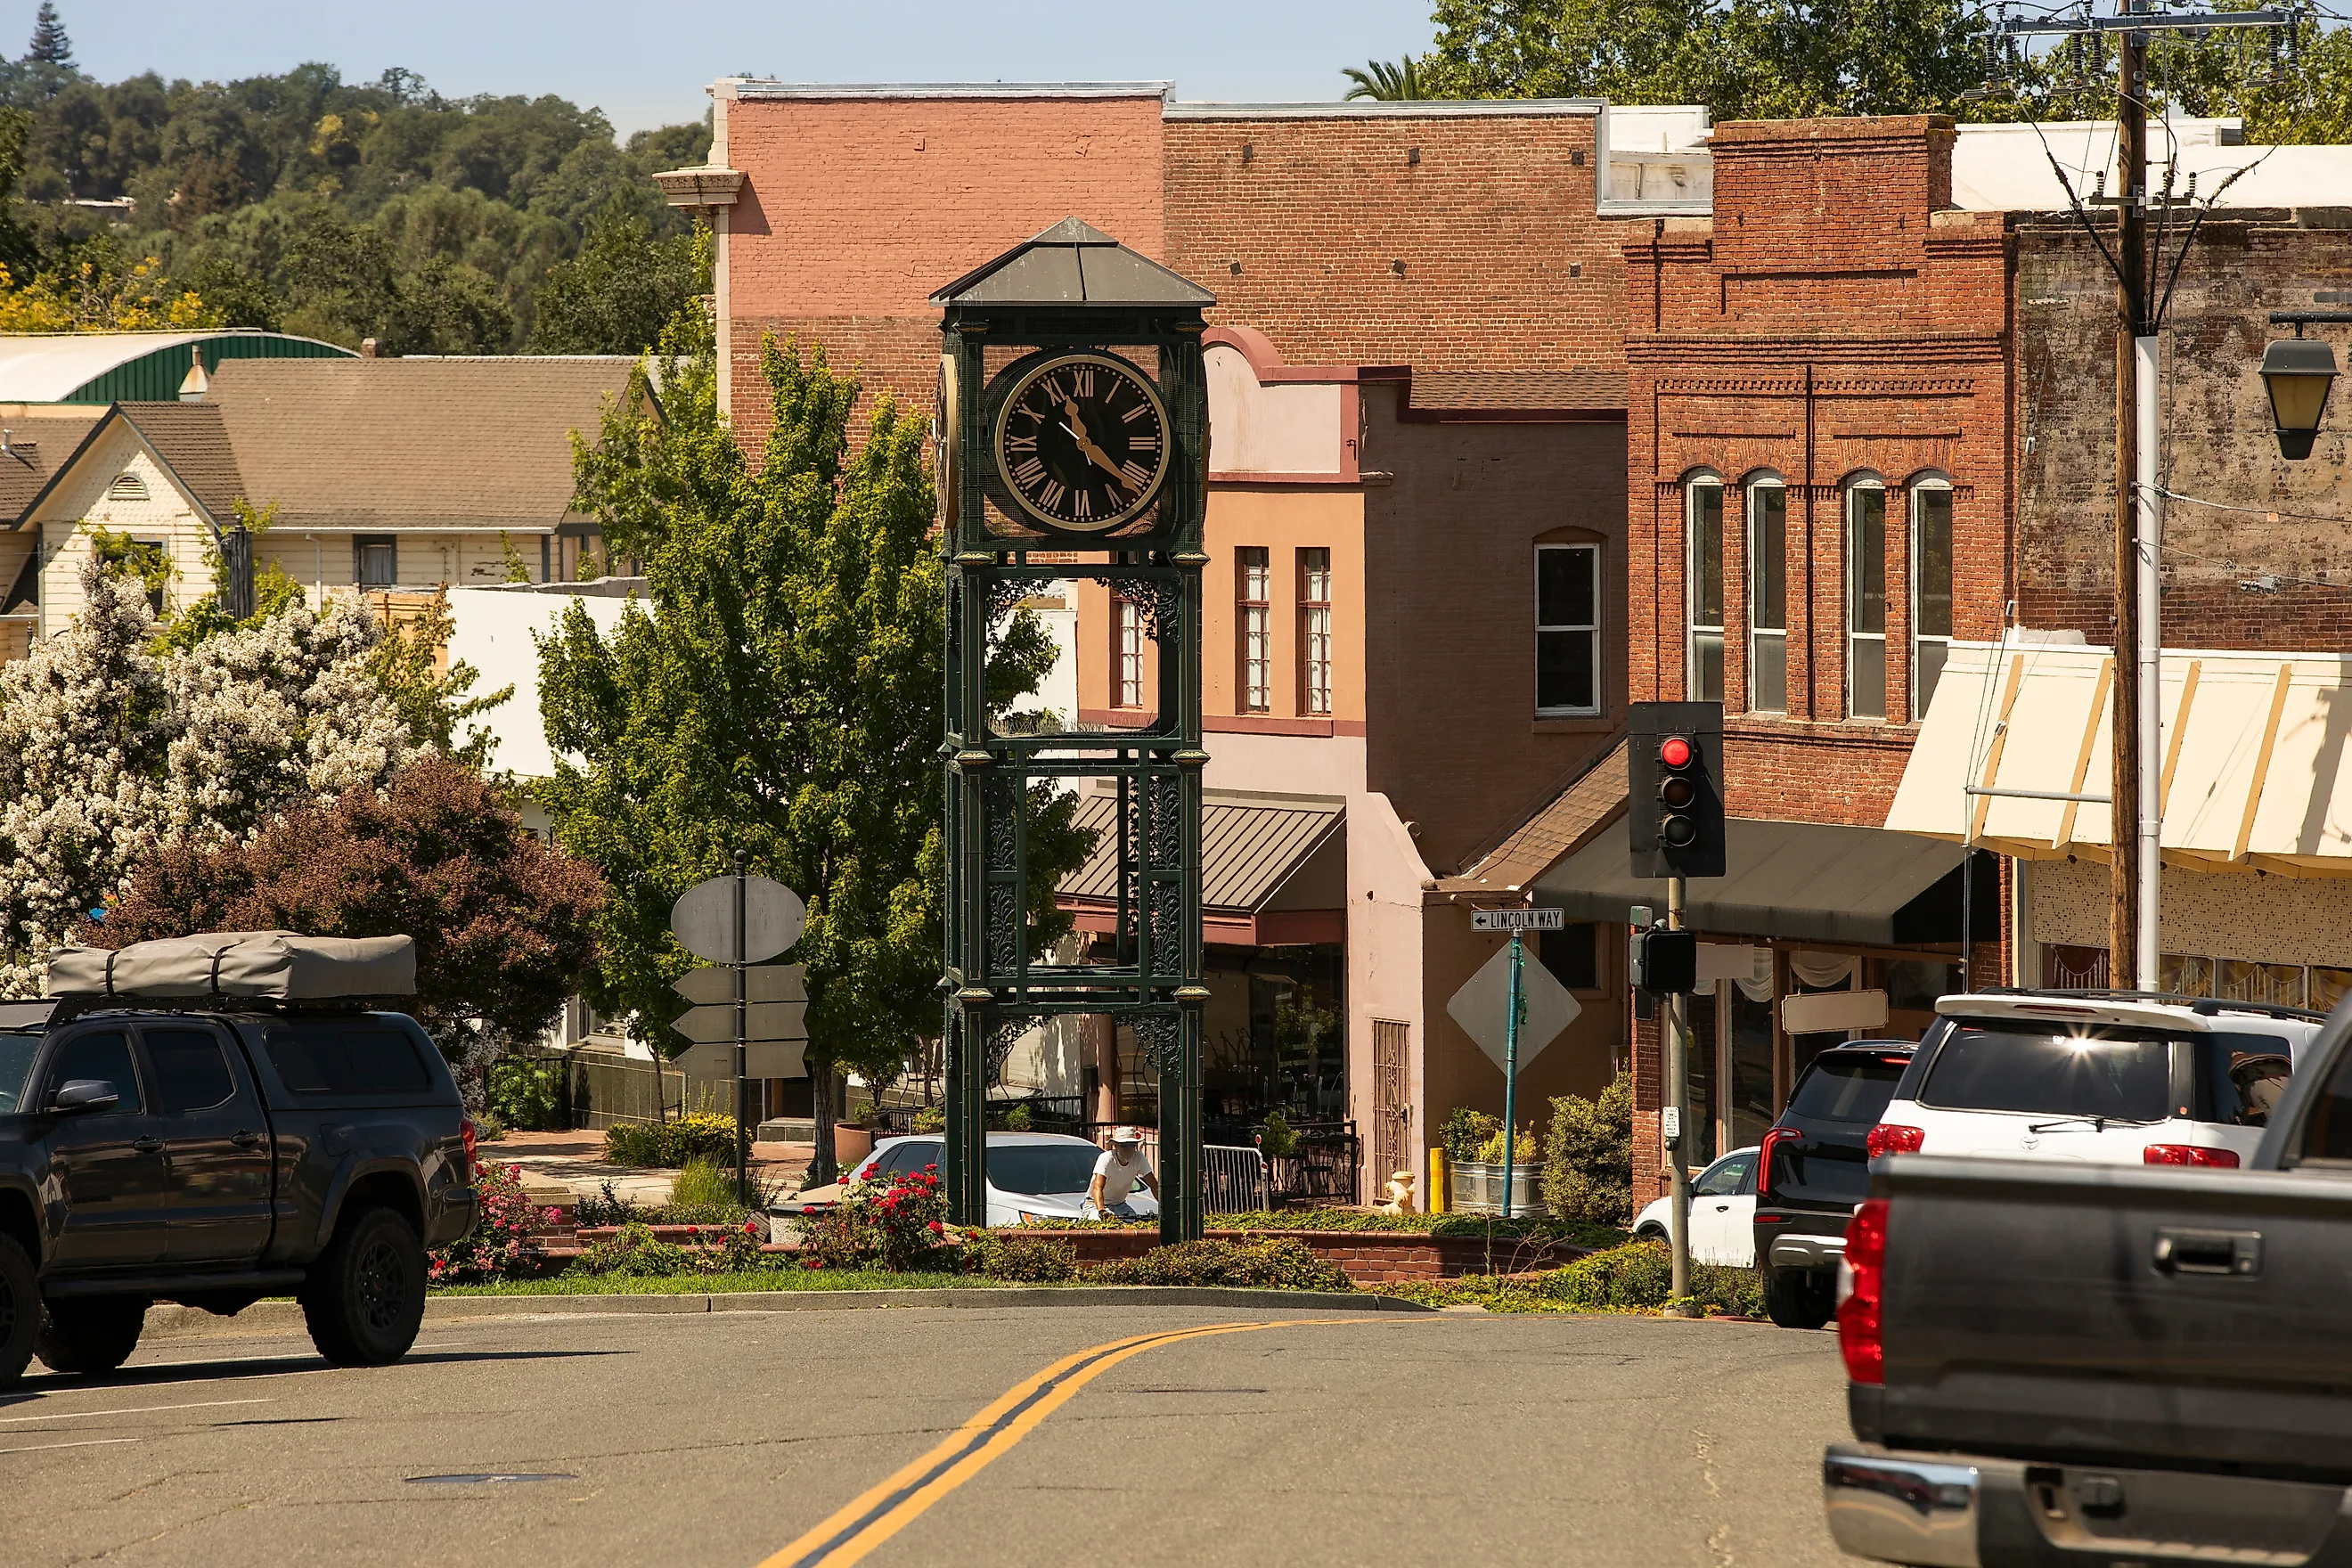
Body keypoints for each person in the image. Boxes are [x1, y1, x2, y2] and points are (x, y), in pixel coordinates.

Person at [1087, 1125, 1160, 1219]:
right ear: (1116, 1146)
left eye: (1132, 1145)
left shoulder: (1139, 1158)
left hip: (1120, 1205)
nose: (1129, 1149)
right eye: (1124, 1145)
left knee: (1133, 1221)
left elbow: (1153, 1185)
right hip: (1094, 1204)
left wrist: (1164, 1207)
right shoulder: (1106, 1158)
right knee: (1103, 1225)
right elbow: (1097, 1188)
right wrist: (1102, 1211)